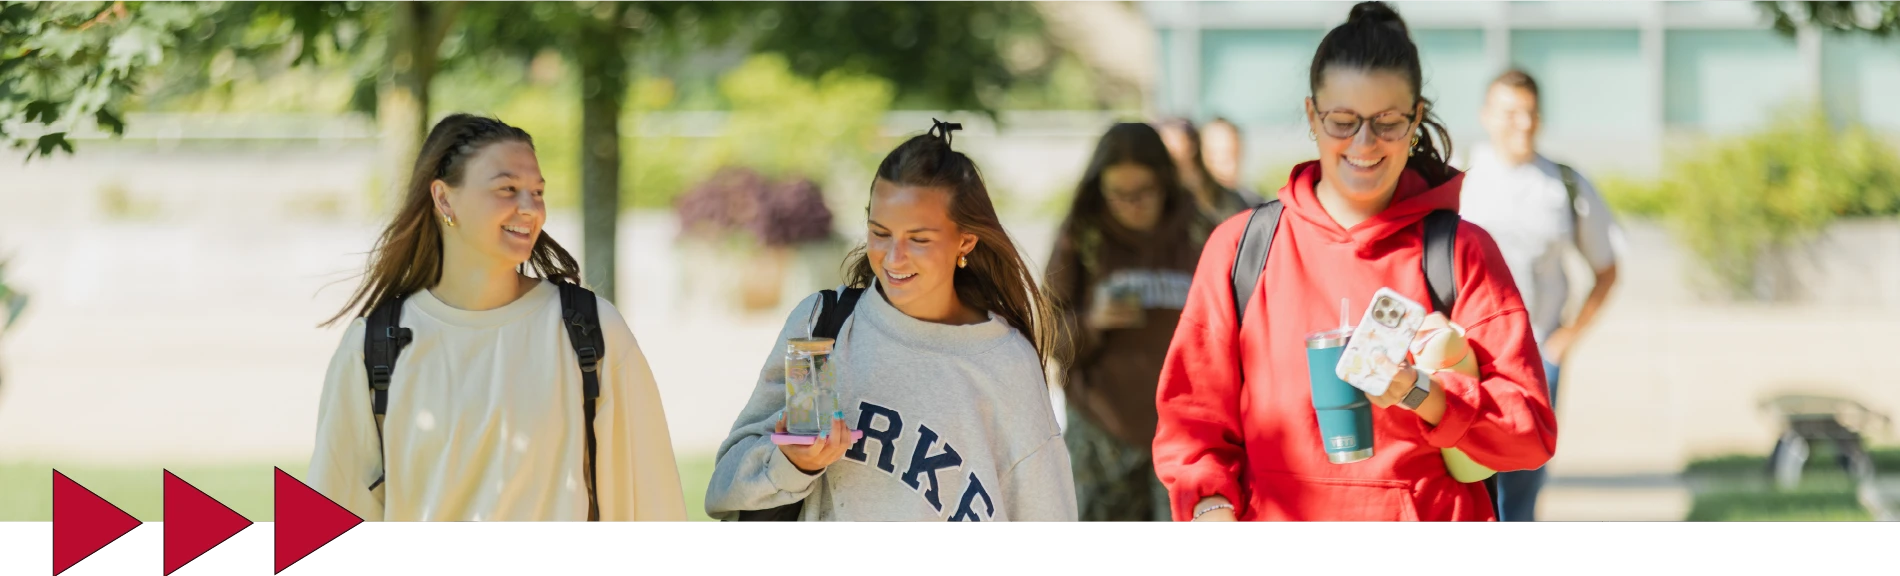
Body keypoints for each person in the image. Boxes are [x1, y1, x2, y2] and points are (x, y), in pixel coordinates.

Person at [1151, 1, 1556, 523]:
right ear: (1312, 116)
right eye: (1343, 121)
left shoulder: (1460, 253)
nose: (1364, 144)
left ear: (1415, 120)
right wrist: (1211, 511)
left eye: (1387, 122)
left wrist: (1423, 392)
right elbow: (1192, 423)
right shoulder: (1242, 247)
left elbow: (1530, 435)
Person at [308, 114, 686, 522]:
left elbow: (651, 504)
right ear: (444, 199)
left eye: (537, 192)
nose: (530, 208)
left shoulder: (591, 332)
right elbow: (332, 522)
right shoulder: (373, 346)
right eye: (507, 189)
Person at [704, 121, 1079, 522]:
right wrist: (793, 463)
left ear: (965, 241)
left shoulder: (1007, 363)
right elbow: (722, 491)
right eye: (880, 233)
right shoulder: (824, 327)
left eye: (919, 239)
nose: (893, 257)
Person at [1459, 68, 1623, 522]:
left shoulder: (1563, 184)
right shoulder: (1459, 181)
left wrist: (1565, 340)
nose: (1523, 124)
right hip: (1466, 360)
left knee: (1522, 492)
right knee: (1466, 491)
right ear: (1486, 116)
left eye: (1531, 113)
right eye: (1511, 113)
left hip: (1537, 357)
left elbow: (1607, 269)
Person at [1045, 123, 1213, 522]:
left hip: (1186, 431)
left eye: (1144, 192)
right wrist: (1092, 322)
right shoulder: (1082, 235)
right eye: (1119, 194)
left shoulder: (1201, 230)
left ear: (1166, 184)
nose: (1132, 204)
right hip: (1104, 437)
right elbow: (1046, 334)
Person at [1158, 117, 1263, 220]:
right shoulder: (1180, 204)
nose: (1230, 167)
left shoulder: (1252, 204)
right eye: (1217, 156)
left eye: (1234, 155)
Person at [1201, 117, 1265, 202]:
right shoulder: (1195, 204)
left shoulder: (1254, 200)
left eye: (1234, 152)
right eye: (1222, 152)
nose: (1232, 164)